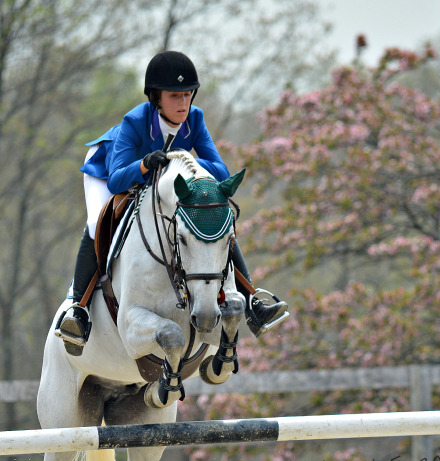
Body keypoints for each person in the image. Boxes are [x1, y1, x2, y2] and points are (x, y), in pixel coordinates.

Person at [58, 51, 288, 355]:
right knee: (95, 221)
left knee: (209, 219)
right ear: (156, 97)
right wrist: (143, 165)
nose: (183, 103)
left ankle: (253, 300)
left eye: (188, 95)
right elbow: (116, 180)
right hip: (109, 169)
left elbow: (220, 170)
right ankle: (79, 309)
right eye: (175, 96)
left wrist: (186, 162)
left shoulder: (195, 118)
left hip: (162, 182)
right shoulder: (135, 121)